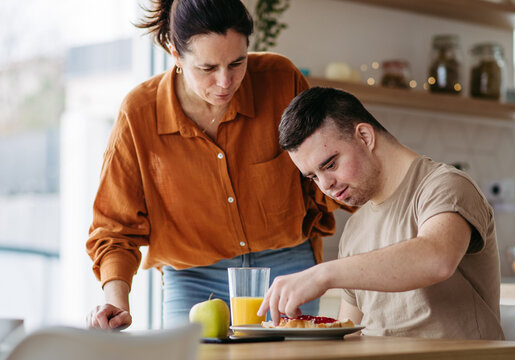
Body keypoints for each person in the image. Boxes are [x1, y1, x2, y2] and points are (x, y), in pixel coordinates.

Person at [85, 0, 344, 330]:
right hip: (194, 280)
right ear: (175, 56)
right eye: (207, 68)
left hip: (287, 266)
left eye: (237, 62)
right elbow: (114, 227)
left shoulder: (282, 81)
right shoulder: (139, 114)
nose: (225, 82)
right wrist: (115, 303)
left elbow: (324, 170)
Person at [258, 87, 504, 340]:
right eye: (313, 177)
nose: (325, 185)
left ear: (365, 136)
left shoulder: (445, 185)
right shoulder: (355, 228)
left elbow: (437, 259)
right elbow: (348, 333)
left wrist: (322, 275)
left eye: (330, 165)